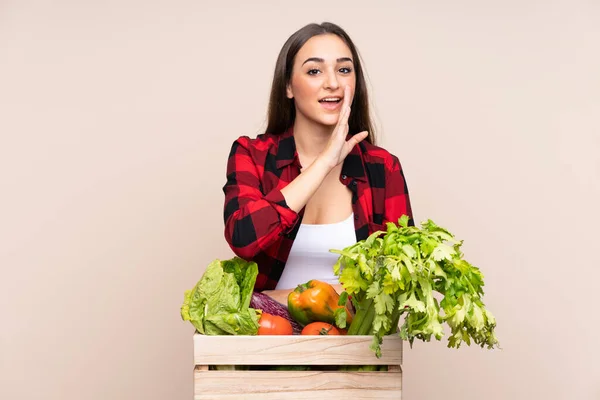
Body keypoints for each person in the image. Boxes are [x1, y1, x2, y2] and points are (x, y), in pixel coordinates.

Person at [222, 22, 414, 305]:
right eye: (314, 71)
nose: (333, 83)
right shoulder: (251, 154)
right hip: (268, 341)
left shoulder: (383, 168)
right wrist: (324, 162)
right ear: (288, 85)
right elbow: (243, 239)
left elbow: (401, 283)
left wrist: (273, 300)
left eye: (344, 70)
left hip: (354, 345)